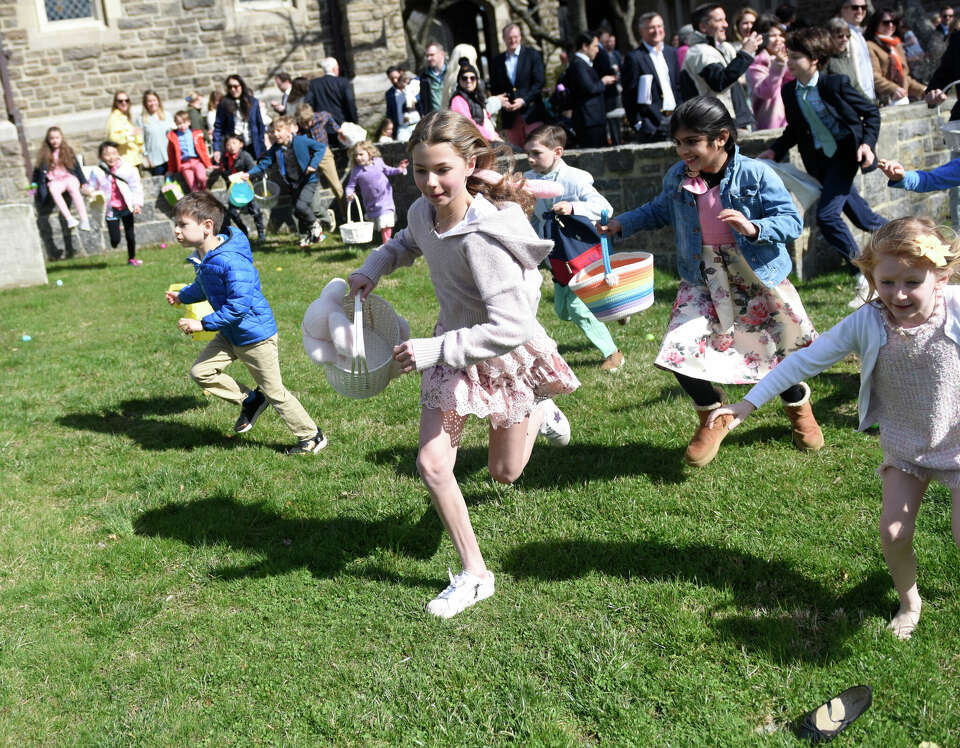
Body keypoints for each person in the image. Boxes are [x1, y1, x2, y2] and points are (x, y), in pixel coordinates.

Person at [347, 110, 579, 618]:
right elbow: (406, 242)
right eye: (419, 171)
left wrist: (433, 351)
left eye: (442, 170)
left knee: (504, 472)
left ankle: (539, 410)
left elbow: (511, 328)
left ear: (470, 164)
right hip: (452, 354)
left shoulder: (483, 239)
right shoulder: (421, 214)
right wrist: (372, 269)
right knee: (432, 464)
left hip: (499, 354)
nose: (430, 183)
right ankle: (475, 574)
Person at [708, 217, 960, 641]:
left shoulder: (955, 307)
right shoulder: (869, 321)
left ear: (941, 276)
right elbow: (803, 362)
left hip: (957, 444)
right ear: (870, 277)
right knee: (894, 533)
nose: (898, 293)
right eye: (887, 281)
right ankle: (908, 601)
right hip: (905, 447)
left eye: (913, 281)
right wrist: (747, 404)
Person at [602, 97, 821, 468]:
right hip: (704, 277)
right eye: (678, 143)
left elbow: (790, 220)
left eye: (691, 142)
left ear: (721, 138)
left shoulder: (756, 173)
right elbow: (660, 209)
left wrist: (754, 228)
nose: (683, 151)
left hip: (756, 274)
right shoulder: (678, 177)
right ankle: (713, 414)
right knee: (677, 350)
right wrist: (624, 223)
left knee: (777, 350)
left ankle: (799, 407)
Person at [166, 191, 326, 455]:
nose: (176, 230)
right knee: (201, 372)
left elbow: (238, 306)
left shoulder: (231, 260)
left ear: (207, 227)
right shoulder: (207, 258)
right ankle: (251, 400)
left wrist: (203, 324)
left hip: (255, 336)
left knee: (276, 392)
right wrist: (181, 296)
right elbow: (204, 286)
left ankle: (312, 436)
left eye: (183, 225)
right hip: (231, 333)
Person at [757, 27, 887, 286]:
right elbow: (795, 129)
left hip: (845, 156)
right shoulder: (789, 91)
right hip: (818, 162)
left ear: (814, 59)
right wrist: (775, 150)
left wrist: (867, 145)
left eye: (795, 57)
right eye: (788, 56)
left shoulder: (835, 83)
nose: (789, 62)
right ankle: (909, 236)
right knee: (863, 218)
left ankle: (862, 271)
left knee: (827, 217)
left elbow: (871, 113)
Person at [523, 124, 624, 372]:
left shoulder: (575, 179)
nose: (530, 158)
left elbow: (605, 209)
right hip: (557, 255)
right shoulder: (529, 180)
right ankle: (610, 307)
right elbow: (535, 217)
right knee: (562, 311)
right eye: (528, 153)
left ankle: (613, 353)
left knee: (578, 309)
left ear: (557, 152)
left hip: (579, 251)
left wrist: (572, 207)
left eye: (536, 153)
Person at [238, 115, 326, 248]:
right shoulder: (276, 149)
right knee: (298, 211)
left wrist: (313, 164)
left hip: (308, 180)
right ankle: (306, 236)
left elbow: (321, 147)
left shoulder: (301, 141)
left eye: (279, 131)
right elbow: (263, 164)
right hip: (293, 183)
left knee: (301, 206)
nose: (276, 134)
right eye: (273, 131)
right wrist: (249, 174)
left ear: (289, 130)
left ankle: (315, 224)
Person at [680, 3, 762, 130]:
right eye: (719, 20)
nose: (726, 24)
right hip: (717, 125)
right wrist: (745, 53)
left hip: (730, 123)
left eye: (725, 19)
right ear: (703, 27)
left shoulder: (717, 48)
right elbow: (719, 82)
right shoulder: (700, 52)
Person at [622, 12, 682, 143]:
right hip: (653, 124)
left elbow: (677, 85)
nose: (657, 31)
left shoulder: (671, 53)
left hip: (677, 119)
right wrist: (639, 124)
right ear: (641, 31)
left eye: (659, 26)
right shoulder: (635, 57)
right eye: (651, 27)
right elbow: (628, 95)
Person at [85, 141, 144, 266]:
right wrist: (88, 191)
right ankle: (115, 239)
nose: (111, 157)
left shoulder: (128, 169)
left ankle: (131, 258)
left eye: (113, 153)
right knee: (115, 240)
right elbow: (92, 186)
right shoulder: (97, 171)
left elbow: (136, 187)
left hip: (126, 206)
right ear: (101, 157)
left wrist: (137, 204)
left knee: (130, 234)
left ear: (118, 154)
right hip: (110, 209)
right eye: (107, 154)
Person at [491, 23, 547, 147]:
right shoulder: (497, 61)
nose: (513, 40)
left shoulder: (532, 55)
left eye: (515, 37)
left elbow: (539, 82)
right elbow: (494, 87)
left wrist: (524, 100)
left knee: (536, 147)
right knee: (517, 154)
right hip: (510, 117)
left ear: (520, 37)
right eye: (509, 37)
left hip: (531, 113)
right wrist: (502, 102)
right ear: (504, 39)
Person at [343, 141, 409, 244]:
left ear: (370, 153)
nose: (358, 158)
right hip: (371, 200)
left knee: (386, 219)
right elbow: (350, 186)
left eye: (361, 154)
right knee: (377, 220)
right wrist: (349, 194)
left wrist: (399, 169)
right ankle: (382, 240)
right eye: (356, 155)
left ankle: (386, 243)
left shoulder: (378, 162)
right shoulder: (357, 171)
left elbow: (388, 170)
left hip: (385, 197)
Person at [33, 126, 91, 231]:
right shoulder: (44, 154)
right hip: (55, 180)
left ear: (61, 138)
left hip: (68, 177)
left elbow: (77, 168)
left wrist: (83, 182)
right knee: (54, 190)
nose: (54, 141)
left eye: (57, 138)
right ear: (48, 140)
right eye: (52, 138)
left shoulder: (68, 151)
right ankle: (69, 219)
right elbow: (37, 175)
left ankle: (84, 219)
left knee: (74, 189)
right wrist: (32, 190)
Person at [564, 31, 617, 148]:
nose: (597, 50)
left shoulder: (585, 63)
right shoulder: (578, 64)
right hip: (588, 120)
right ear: (584, 46)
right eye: (595, 46)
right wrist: (603, 81)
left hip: (594, 119)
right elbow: (589, 88)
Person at [208, 133, 265, 242]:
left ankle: (261, 233)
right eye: (228, 144)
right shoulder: (225, 158)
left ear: (241, 144)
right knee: (232, 213)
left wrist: (246, 177)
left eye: (234, 143)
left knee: (255, 211)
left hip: (246, 189)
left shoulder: (245, 156)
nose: (231, 146)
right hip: (233, 191)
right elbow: (224, 173)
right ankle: (244, 230)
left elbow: (254, 172)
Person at [865, 9, 926, 105]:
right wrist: (894, 89)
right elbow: (874, 77)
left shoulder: (896, 44)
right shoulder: (870, 46)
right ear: (876, 24)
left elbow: (905, 77)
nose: (890, 25)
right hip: (883, 100)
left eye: (894, 22)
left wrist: (924, 90)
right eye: (886, 22)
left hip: (902, 97)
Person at [293, 102, 345, 207]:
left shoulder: (320, 117)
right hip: (309, 156)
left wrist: (337, 128)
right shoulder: (297, 126)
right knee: (308, 188)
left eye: (308, 122)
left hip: (324, 153)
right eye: (304, 124)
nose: (307, 126)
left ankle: (346, 213)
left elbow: (329, 116)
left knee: (336, 186)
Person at [212, 75, 266, 163]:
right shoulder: (223, 104)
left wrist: (262, 143)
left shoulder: (252, 102)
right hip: (235, 146)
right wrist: (217, 148)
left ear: (242, 86)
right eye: (230, 87)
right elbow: (218, 127)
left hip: (253, 143)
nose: (233, 90)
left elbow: (259, 124)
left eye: (236, 86)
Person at [747, 16, 789, 129]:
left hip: (792, 123)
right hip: (771, 126)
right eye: (773, 36)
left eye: (781, 35)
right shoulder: (758, 63)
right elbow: (766, 92)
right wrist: (778, 65)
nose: (779, 39)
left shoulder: (790, 59)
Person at [305, 58, 359, 139]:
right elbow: (350, 103)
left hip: (321, 126)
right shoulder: (343, 82)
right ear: (334, 69)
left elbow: (309, 103)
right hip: (342, 125)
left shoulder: (314, 84)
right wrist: (354, 121)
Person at [450, 59, 501, 142]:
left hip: (485, 139)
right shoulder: (457, 100)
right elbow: (468, 124)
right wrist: (491, 137)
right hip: (472, 142)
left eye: (472, 78)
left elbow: (486, 121)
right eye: (464, 78)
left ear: (477, 80)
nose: (468, 81)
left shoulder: (477, 97)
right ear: (459, 80)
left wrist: (496, 136)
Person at [838, 0, 878, 103]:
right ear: (843, 10)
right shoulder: (843, 36)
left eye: (863, 7)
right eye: (855, 7)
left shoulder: (858, 34)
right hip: (856, 98)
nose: (860, 11)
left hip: (868, 96)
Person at [167, 109, 212, 193]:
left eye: (184, 123)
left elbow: (203, 150)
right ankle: (198, 200)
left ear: (189, 122)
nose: (182, 126)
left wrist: (208, 164)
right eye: (179, 124)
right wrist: (171, 169)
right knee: (192, 186)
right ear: (176, 124)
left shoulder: (195, 134)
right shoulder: (173, 137)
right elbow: (171, 155)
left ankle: (205, 191)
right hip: (185, 164)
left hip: (197, 161)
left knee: (202, 178)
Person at [825, 17, 868, 99]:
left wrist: (872, 103)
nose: (845, 40)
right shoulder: (825, 61)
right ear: (829, 37)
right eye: (840, 36)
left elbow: (856, 86)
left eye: (848, 36)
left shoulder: (845, 57)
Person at [138, 90, 174, 176]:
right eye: (149, 101)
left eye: (154, 100)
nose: (152, 103)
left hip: (170, 157)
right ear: (145, 104)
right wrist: (146, 156)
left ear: (158, 101)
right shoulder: (141, 120)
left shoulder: (167, 115)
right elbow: (140, 140)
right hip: (155, 160)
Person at [105, 91, 143, 168]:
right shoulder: (114, 118)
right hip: (124, 162)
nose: (124, 103)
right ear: (115, 103)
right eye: (120, 101)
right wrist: (129, 134)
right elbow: (112, 139)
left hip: (134, 159)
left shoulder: (125, 117)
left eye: (126, 100)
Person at [384, 65, 420, 142]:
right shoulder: (390, 94)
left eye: (396, 77)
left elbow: (420, 100)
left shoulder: (413, 85)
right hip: (403, 127)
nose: (395, 81)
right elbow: (389, 112)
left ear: (401, 73)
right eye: (391, 79)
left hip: (418, 123)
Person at [418, 42, 447, 116]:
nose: (428, 58)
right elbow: (423, 101)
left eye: (432, 55)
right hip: (435, 119)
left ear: (442, 54)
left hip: (453, 117)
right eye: (427, 56)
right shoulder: (424, 76)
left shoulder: (452, 72)